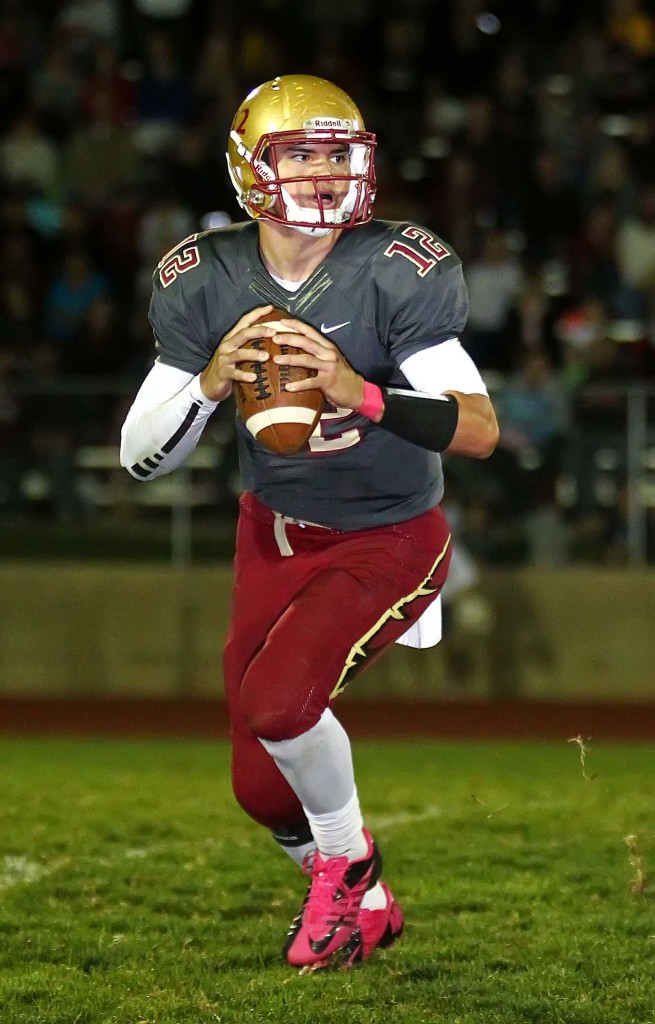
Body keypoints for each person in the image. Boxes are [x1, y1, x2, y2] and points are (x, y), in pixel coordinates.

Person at [120, 75, 498, 971]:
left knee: (281, 706)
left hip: (388, 536)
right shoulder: (205, 278)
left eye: (339, 155)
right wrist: (211, 385)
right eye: (302, 154)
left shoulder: (395, 267)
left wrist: (357, 392)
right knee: (258, 784)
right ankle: (368, 905)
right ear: (251, 167)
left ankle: (344, 861)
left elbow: (477, 428)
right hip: (273, 533)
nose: (325, 174)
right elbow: (141, 457)